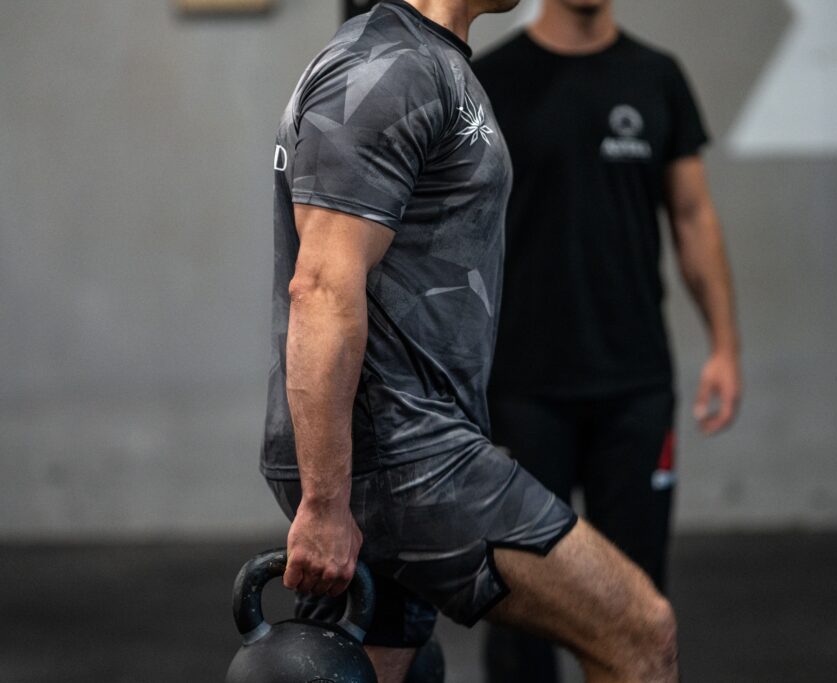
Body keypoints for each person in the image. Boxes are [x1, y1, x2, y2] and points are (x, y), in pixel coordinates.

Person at [258, 1, 680, 681]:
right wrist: (324, 503)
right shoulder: (386, 69)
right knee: (638, 629)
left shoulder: (427, 61)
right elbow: (322, 290)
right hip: (405, 458)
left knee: (384, 668)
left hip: (411, 446)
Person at [473, 0, 742, 680]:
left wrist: (724, 347)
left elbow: (692, 216)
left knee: (637, 603)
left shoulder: (657, 76)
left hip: (635, 385)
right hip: (521, 386)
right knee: (519, 608)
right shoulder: (493, 79)